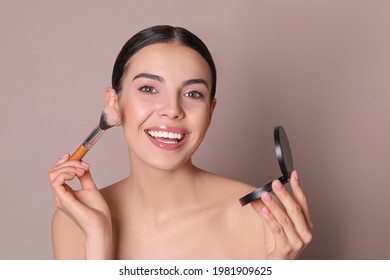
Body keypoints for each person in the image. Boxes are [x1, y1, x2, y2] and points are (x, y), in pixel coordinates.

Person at [46, 25, 313, 259]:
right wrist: (98, 237)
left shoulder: (260, 219)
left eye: (193, 93)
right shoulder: (75, 221)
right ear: (114, 103)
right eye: (149, 89)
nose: (172, 109)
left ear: (211, 110)